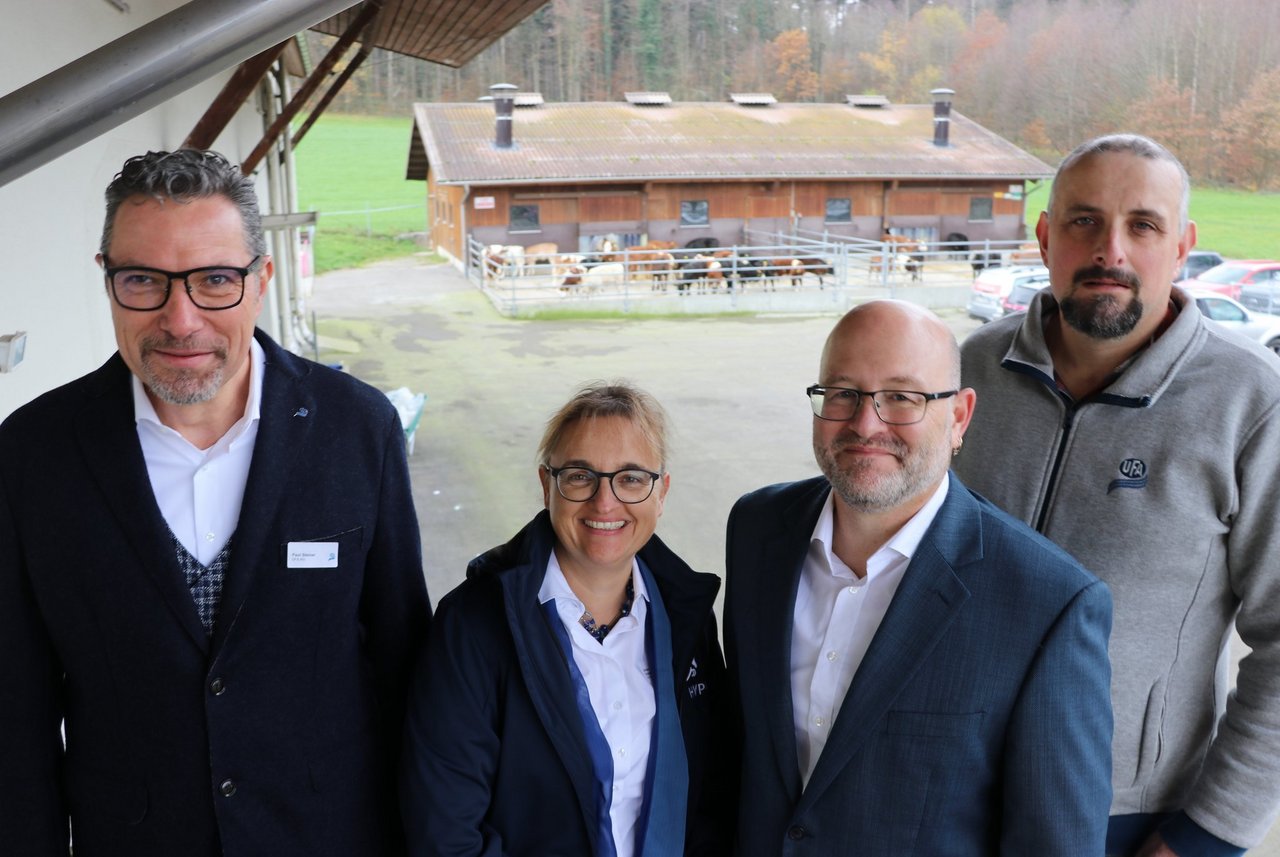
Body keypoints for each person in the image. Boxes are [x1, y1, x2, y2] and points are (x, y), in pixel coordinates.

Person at [0, 149, 432, 856]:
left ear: (261, 280)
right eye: (143, 280)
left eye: (214, 280)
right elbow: (15, 709)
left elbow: (404, 663)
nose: (181, 319)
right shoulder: (33, 453)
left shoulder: (357, 429)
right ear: (107, 279)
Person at [954, 133, 1280, 857]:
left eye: (1143, 225)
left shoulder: (1254, 402)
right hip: (946, 789)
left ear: (1183, 246)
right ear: (1046, 237)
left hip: (1125, 818)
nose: (1111, 251)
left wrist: (1208, 833)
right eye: (1085, 221)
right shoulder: (968, 371)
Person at [724, 300, 1113, 856]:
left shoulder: (1049, 604)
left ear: (959, 417)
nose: (865, 424)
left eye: (902, 398)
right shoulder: (757, 529)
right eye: (842, 393)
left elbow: (1055, 845)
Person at [401, 382, 732, 856]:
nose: (605, 502)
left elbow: (712, 796)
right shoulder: (473, 625)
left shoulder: (687, 616)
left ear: (661, 493)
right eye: (580, 476)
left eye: (631, 478)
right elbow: (446, 831)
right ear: (546, 485)